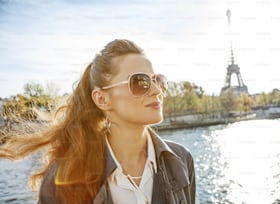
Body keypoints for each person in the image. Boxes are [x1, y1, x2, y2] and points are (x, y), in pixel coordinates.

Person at [0, 39, 195, 204]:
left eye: (157, 80)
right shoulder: (62, 179)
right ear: (102, 99)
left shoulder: (182, 159)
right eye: (140, 82)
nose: (156, 90)